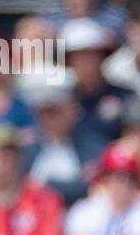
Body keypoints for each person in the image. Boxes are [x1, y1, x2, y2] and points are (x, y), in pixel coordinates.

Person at [22, 70, 107, 207]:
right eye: (43, 112)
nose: (48, 119)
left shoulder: (94, 148)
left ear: (72, 109)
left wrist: (44, 185)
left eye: (54, 112)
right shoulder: (26, 148)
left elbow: (92, 186)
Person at [64, 143, 140, 235]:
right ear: (105, 179)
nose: (125, 184)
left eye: (131, 177)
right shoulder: (85, 208)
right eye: (118, 177)